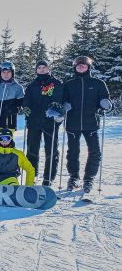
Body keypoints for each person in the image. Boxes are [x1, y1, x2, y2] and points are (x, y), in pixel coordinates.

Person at [63, 56, 112, 192]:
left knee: (95, 152)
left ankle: (88, 179)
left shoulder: (98, 83)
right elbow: (62, 101)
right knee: (72, 152)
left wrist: (106, 104)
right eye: (78, 66)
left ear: (88, 67)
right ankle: (73, 177)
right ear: (75, 68)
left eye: (83, 66)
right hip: (72, 124)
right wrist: (64, 106)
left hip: (91, 123)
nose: (81, 67)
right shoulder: (68, 84)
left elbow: (106, 100)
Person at [23, 60, 64, 186]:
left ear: (48, 68)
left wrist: (56, 107)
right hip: (34, 122)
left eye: (44, 67)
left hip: (50, 121)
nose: (41, 70)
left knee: (51, 150)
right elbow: (26, 101)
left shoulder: (56, 83)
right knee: (32, 150)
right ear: (36, 70)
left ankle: (48, 178)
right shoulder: (32, 86)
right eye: (39, 68)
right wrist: (26, 108)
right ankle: (32, 174)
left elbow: (60, 99)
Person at [0, 61, 24, 151]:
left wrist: (13, 110)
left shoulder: (18, 88)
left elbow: (20, 105)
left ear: (12, 73)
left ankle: (9, 165)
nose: (6, 74)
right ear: (0, 73)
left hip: (9, 122)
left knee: (8, 148)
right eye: (3, 72)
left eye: (8, 72)